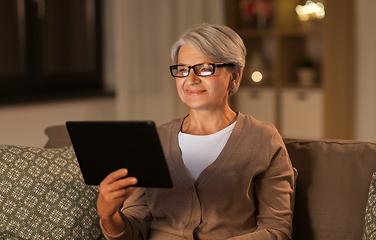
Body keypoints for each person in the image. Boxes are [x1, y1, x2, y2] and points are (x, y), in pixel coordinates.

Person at [97, 23, 294, 240]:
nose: (190, 80)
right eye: (182, 69)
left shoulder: (263, 139)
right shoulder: (154, 141)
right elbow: (134, 231)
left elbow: (277, 231)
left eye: (205, 68)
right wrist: (108, 215)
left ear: (235, 76)